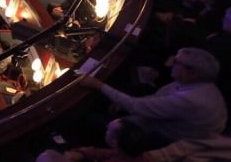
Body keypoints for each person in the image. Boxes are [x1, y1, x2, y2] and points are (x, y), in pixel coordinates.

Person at [80, 47, 227, 144]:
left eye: (176, 62)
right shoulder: (197, 84)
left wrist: (97, 85)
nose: (171, 64)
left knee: (90, 119)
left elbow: (136, 107)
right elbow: (156, 99)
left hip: (162, 138)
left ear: (192, 72)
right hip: (161, 122)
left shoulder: (190, 100)